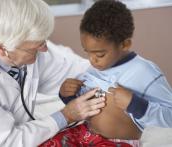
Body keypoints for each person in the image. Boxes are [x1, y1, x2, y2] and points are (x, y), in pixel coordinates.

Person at [0, 0, 107, 146]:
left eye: (43, 42)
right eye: (35, 48)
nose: (45, 50)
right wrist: (66, 115)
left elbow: (76, 69)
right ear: (1, 49)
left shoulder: (26, 45)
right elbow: (5, 142)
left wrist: (116, 70)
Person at [41, 0, 172, 146]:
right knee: (45, 142)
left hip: (117, 141)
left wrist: (135, 105)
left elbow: (170, 116)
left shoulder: (145, 73)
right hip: (85, 133)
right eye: (88, 53)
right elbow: (86, 106)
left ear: (124, 44)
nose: (92, 61)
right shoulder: (95, 68)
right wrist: (68, 95)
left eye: (100, 54)